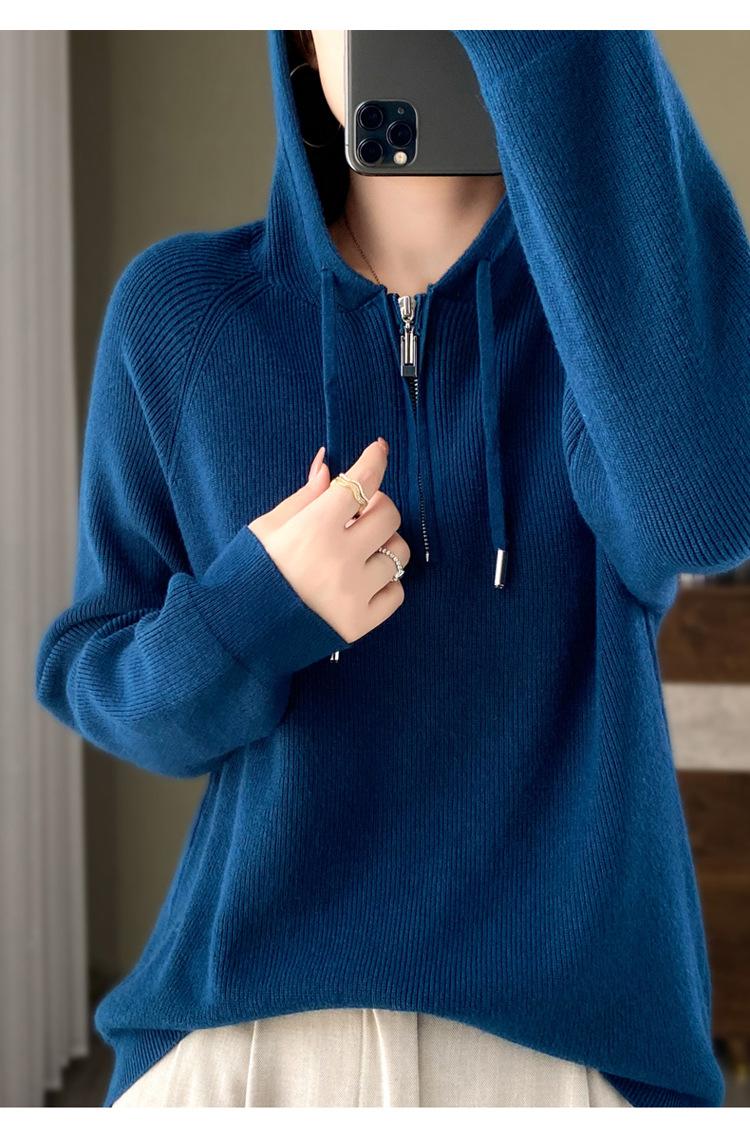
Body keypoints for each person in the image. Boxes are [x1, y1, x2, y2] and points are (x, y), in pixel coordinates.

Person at [34, 28, 750, 1108]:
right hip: (245, 1043)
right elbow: (105, 682)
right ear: (295, 36)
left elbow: (706, 514)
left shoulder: (609, 331)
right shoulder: (178, 313)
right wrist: (256, 607)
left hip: (570, 1052)